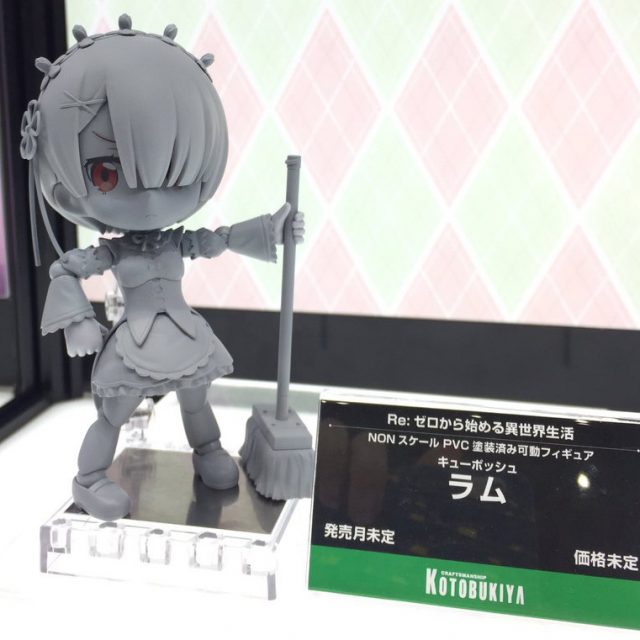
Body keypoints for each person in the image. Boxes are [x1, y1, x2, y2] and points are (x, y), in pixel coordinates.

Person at [20, 15, 304, 520]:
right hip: (133, 343)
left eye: (178, 171)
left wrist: (274, 229)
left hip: (183, 335)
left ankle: (208, 450)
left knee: (196, 400)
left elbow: (218, 239)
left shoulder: (176, 241)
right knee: (114, 413)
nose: (150, 196)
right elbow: (66, 270)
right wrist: (78, 321)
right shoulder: (114, 252)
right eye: (106, 173)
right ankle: (89, 478)